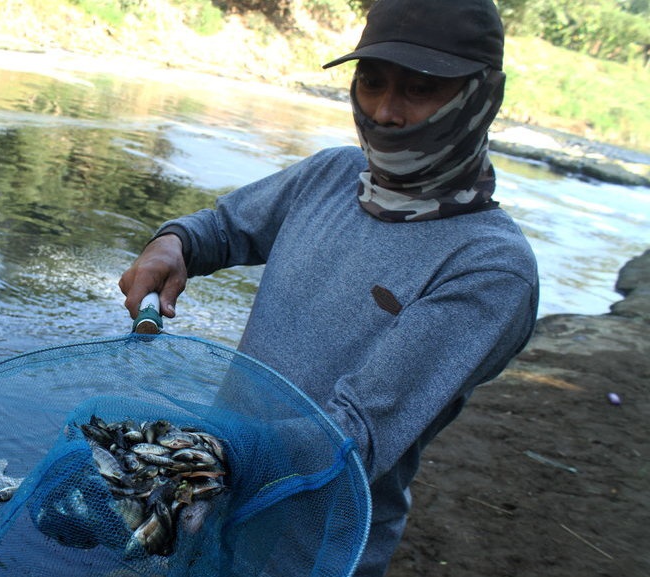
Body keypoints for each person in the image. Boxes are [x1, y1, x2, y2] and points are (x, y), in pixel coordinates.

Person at [117, 0, 539, 574]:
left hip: (310, 550)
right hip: (207, 509)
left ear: (483, 96)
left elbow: (355, 437)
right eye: (371, 81)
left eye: (420, 89)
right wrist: (175, 242)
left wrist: (198, 453)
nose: (386, 112)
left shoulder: (489, 269)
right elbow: (223, 228)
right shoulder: (332, 174)